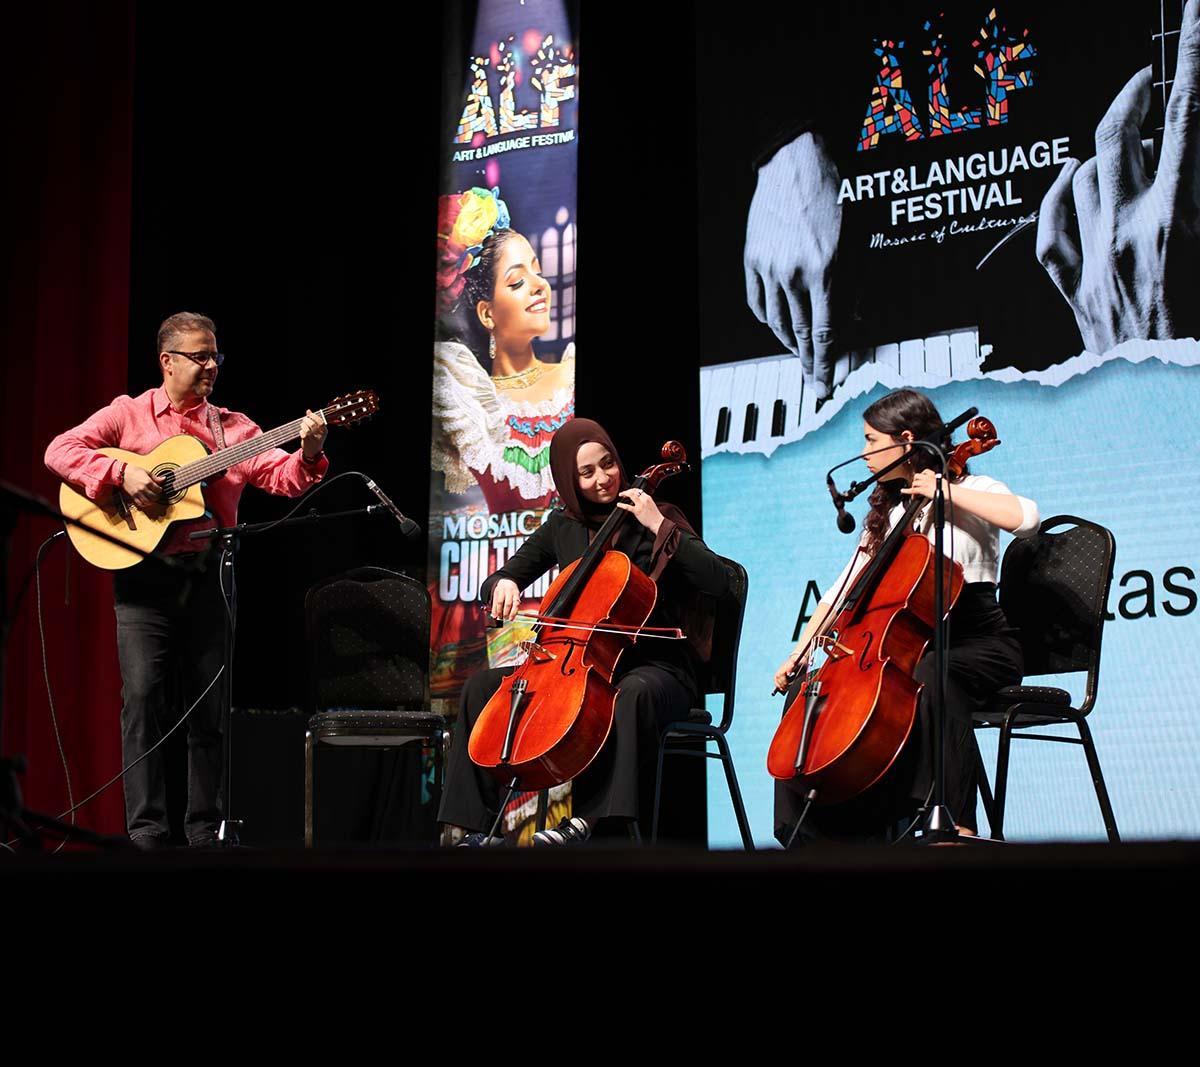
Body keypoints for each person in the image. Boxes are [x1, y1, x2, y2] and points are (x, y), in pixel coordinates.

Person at [44, 311, 328, 848]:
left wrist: (309, 451)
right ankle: (146, 831)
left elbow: (285, 478)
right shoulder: (127, 415)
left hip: (209, 576)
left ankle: (204, 831)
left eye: (215, 356)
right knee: (141, 702)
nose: (211, 366)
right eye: (200, 356)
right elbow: (59, 451)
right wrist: (123, 472)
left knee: (208, 709)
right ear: (167, 361)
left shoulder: (234, 429)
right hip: (142, 577)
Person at [437, 418, 729, 846]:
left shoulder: (658, 515)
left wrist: (659, 526)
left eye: (607, 464)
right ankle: (472, 831)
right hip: (577, 667)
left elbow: (720, 580)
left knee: (628, 694)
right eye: (587, 473)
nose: (603, 479)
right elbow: (504, 575)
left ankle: (590, 824)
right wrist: (502, 584)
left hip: (658, 670)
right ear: (569, 482)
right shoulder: (564, 526)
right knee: (481, 688)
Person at [772, 388, 1040, 843]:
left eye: (871, 440)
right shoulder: (894, 512)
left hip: (980, 643)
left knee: (933, 671)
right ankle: (815, 837)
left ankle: (953, 824)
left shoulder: (971, 489)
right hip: (912, 649)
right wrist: (799, 653)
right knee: (810, 688)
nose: (864, 453)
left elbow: (1027, 519)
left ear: (906, 440)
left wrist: (945, 492)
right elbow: (842, 590)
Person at [433, 185, 574, 513]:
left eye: (538, 272)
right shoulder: (469, 403)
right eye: (517, 282)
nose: (540, 285)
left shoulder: (570, 376)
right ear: (487, 313)